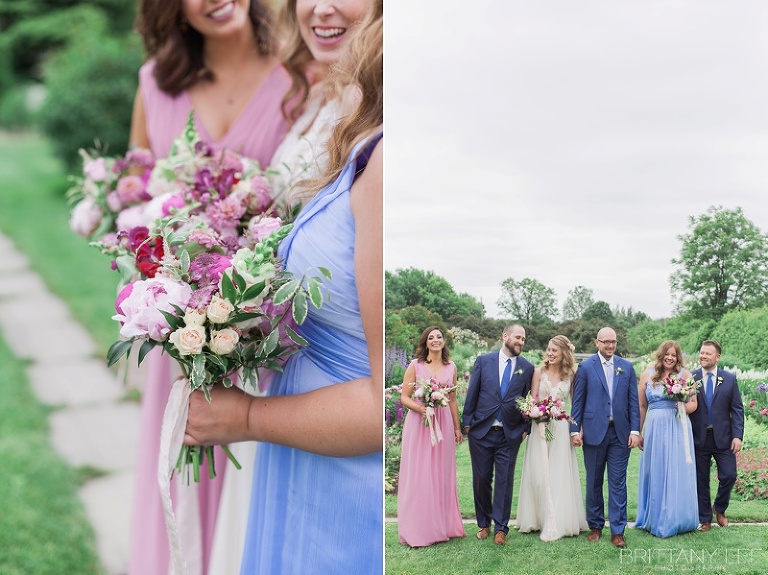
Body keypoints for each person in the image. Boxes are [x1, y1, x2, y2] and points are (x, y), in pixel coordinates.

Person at [184, 0, 383, 572]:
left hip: (343, 481)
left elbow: (378, 406)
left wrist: (244, 418)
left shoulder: (384, 162)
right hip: (306, 448)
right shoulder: (361, 130)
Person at [127, 2, 291, 573]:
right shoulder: (154, 83)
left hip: (266, 324)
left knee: (251, 487)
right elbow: (136, 188)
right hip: (184, 333)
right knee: (179, 462)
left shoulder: (299, 69)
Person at [462, 324, 534, 546]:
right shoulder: (484, 361)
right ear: (505, 337)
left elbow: (526, 401)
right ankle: (484, 524)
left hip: (509, 434)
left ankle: (501, 528)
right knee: (482, 479)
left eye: (523, 339)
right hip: (481, 432)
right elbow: (472, 392)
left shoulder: (527, 367)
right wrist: (468, 424)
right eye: (517, 337)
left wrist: (525, 429)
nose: (520, 342)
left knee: (504, 481)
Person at [570, 327, 640, 548]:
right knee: (594, 482)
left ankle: (618, 530)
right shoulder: (585, 367)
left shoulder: (626, 367)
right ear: (596, 342)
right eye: (606, 342)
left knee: (618, 482)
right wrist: (574, 429)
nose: (610, 346)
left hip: (620, 433)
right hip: (593, 432)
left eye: (614, 342)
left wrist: (635, 430)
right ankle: (596, 525)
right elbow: (578, 402)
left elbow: (633, 403)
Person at [397, 326, 465, 547]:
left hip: (443, 424)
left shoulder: (451, 367)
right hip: (419, 425)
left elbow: (452, 399)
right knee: (421, 474)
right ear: (425, 343)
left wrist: (457, 428)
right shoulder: (415, 366)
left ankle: (442, 525)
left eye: (439, 336)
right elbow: (404, 398)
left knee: (441, 473)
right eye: (431, 337)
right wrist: (421, 409)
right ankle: (418, 528)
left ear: (444, 342)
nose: (436, 340)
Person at [515, 335, 587, 541]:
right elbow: (533, 400)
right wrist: (536, 412)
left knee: (558, 472)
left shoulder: (571, 376)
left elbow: (576, 404)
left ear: (564, 352)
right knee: (539, 473)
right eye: (548, 349)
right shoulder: (539, 372)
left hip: (562, 428)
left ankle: (558, 519)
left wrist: (577, 430)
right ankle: (535, 518)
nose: (550, 353)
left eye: (554, 350)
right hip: (541, 428)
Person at [635, 340, 699, 537]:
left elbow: (694, 403)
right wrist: (638, 432)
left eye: (674, 355)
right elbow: (642, 406)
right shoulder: (647, 374)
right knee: (656, 469)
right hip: (654, 427)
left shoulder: (686, 375)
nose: (670, 358)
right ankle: (653, 517)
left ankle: (676, 517)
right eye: (667, 354)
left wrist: (681, 405)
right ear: (660, 355)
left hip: (677, 426)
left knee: (676, 469)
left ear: (678, 357)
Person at [689, 339, 745, 531]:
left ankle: (719, 508)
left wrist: (737, 436)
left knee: (729, 475)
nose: (702, 356)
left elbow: (737, 409)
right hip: (698, 438)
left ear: (717, 357)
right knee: (700, 479)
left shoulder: (729, 379)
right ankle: (705, 518)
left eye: (707, 353)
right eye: (701, 353)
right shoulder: (691, 377)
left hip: (724, 438)